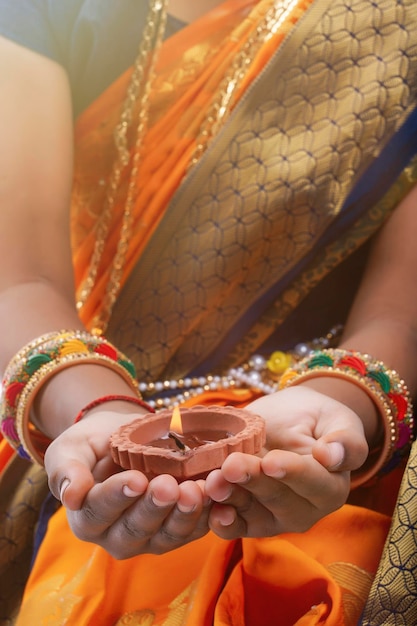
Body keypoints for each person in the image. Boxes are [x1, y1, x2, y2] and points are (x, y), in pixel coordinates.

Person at [0, 0, 416, 623]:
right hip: (71, 415)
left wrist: (340, 409)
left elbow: (401, 315)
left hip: (320, 444)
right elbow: (18, 280)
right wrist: (97, 413)